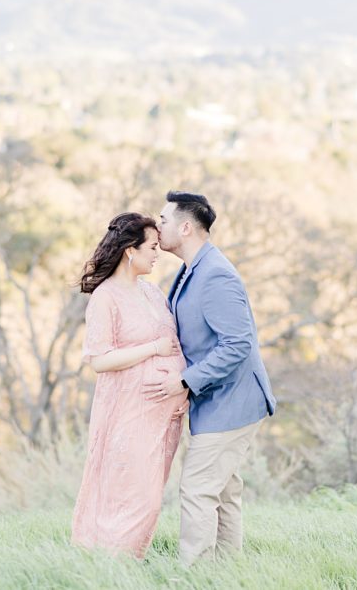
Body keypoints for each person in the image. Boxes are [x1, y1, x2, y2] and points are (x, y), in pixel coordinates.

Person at [144, 190, 276, 566]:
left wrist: (185, 381)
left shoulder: (216, 274)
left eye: (164, 220)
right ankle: (225, 572)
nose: (158, 225)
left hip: (232, 402)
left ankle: (195, 574)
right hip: (216, 401)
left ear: (186, 227)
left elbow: (237, 344)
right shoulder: (192, 269)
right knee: (225, 491)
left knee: (198, 490)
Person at [71, 212, 189, 559]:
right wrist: (152, 350)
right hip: (128, 415)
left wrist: (182, 386)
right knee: (133, 496)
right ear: (129, 251)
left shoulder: (152, 293)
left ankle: (125, 566)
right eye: (152, 247)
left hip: (163, 418)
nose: (158, 253)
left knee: (151, 496)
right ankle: (109, 563)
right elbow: (99, 360)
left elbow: (175, 342)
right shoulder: (106, 298)